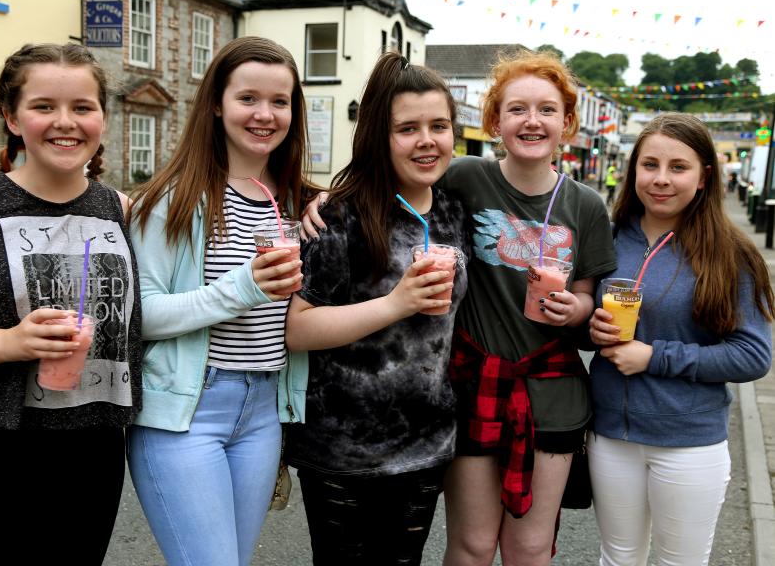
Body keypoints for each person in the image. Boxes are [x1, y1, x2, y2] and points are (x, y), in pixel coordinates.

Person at [302, 49, 616, 566]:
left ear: (569, 122)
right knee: (470, 545)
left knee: (531, 547)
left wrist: (577, 311)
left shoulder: (584, 205)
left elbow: (588, 297)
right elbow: (386, 181)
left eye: (547, 110)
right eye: (517, 109)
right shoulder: (466, 179)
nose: (532, 121)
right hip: (466, 393)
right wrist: (321, 198)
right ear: (494, 120)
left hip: (543, 395)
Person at [0, 43, 141, 565]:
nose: (65, 123)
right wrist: (10, 341)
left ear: (102, 118)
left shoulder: (120, 209)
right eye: (43, 106)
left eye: (82, 107)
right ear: (11, 116)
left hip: (92, 445)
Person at [126, 36, 310, 566]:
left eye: (280, 101)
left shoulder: (297, 201)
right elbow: (145, 316)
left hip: (263, 408)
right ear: (216, 103)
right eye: (247, 98)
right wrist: (245, 286)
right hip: (188, 412)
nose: (265, 114)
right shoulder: (173, 200)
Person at [285, 51, 469, 565]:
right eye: (407, 128)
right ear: (378, 137)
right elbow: (296, 329)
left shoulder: (455, 209)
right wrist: (396, 303)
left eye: (439, 125)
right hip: (343, 450)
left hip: (425, 444)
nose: (426, 140)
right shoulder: (341, 216)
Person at [587, 112, 773, 565]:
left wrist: (653, 357)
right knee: (618, 557)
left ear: (704, 176)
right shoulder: (607, 240)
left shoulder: (732, 253)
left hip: (688, 443)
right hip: (611, 434)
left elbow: (753, 355)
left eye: (678, 167)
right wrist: (589, 329)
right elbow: (584, 322)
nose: (661, 179)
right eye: (649, 165)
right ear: (633, 172)